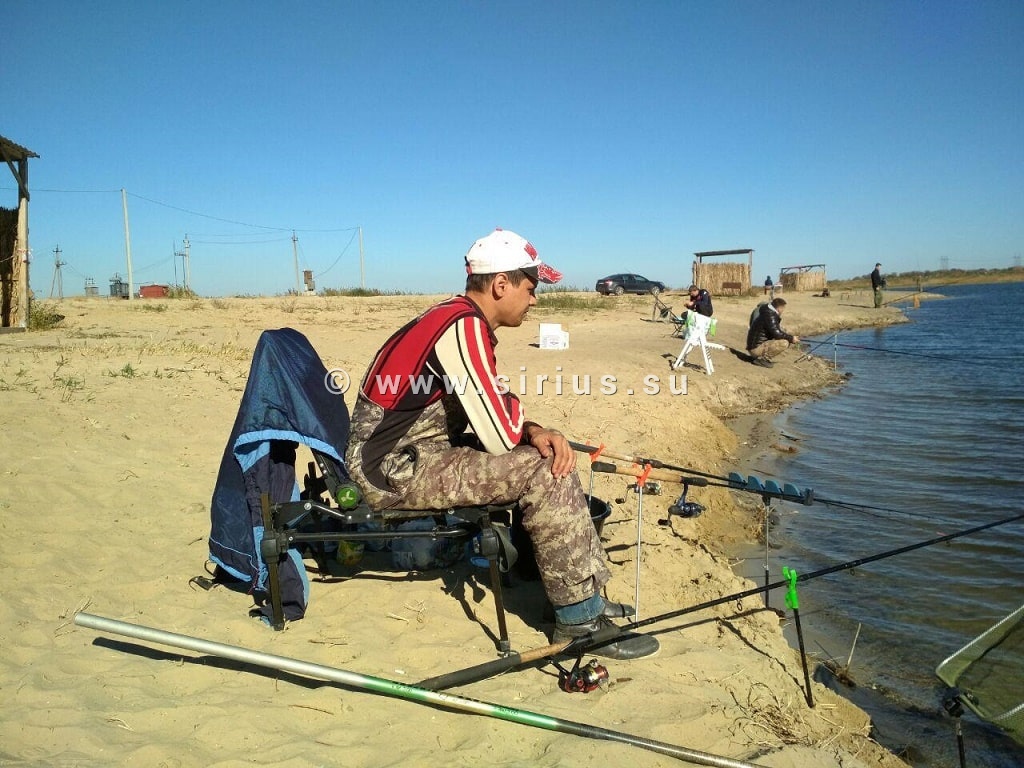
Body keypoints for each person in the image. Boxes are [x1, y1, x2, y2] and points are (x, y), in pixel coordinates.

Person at [344, 228, 659, 660]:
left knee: (539, 453)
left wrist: (532, 430)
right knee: (546, 469)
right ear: (500, 285)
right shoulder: (462, 326)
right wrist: (532, 433)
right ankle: (580, 619)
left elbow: (490, 405)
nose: (535, 300)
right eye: (531, 288)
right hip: (394, 469)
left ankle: (576, 591)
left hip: (415, 451)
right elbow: (496, 432)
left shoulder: (454, 318)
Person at [746, 297, 800, 368]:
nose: (783, 310)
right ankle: (762, 359)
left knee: (784, 337)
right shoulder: (770, 315)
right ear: (779, 308)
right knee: (784, 343)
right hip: (755, 349)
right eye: (783, 308)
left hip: (753, 346)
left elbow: (775, 331)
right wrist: (791, 338)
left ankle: (760, 358)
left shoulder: (767, 312)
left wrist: (789, 337)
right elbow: (777, 334)